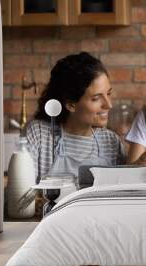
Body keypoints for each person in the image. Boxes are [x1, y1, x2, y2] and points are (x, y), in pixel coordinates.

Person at [26, 52, 125, 180]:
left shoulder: (110, 141)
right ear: (70, 104)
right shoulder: (39, 134)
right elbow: (22, 194)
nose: (109, 105)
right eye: (96, 98)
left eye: (108, 94)